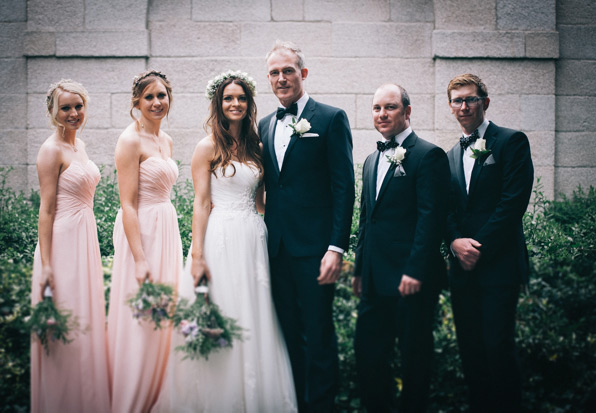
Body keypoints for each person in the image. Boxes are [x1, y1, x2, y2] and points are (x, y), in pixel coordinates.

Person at [153, 71, 297, 412]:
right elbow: (201, 204)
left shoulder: (257, 146)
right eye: (228, 98)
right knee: (224, 308)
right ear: (218, 104)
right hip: (220, 237)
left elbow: (263, 200)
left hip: (253, 238)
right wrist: (198, 254)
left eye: (241, 98)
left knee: (254, 312)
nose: (235, 104)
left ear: (249, 104)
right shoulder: (207, 147)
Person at [258, 40, 355, 412]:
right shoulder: (265, 124)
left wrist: (336, 248)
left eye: (288, 71)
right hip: (276, 250)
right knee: (288, 337)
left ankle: (322, 406)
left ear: (303, 73)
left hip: (316, 251)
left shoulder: (331, 118)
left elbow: (343, 188)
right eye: (274, 72)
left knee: (318, 336)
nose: (281, 78)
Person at [352, 84, 450, 412]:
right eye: (377, 108)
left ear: (407, 112)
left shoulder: (428, 155)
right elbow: (367, 220)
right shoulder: (369, 160)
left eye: (390, 107)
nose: (382, 114)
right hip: (375, 280)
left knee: (414, 360)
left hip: (412, 280)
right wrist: (359, 268)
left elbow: (430, 219)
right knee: (368, 355)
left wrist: (415, 269)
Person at [445, 73, 534, 412]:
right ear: (451, 106)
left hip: (499, 265)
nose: (464, 106)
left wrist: (475, 247)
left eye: (470, 99)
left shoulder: (511, 142)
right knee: (470, 349)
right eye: (457, 100)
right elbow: (446, 209)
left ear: (485, 102)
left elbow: (512, 204)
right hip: (462, 272)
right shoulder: (451, 155)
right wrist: (454, 241)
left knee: (498, 347)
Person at [31, 79, 110, 412]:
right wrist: (47, 264)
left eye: (78, 106)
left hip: (85, 238)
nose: (74, 113)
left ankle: (87, 400)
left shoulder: (80, 146)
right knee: (65, 323)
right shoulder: (50, 150)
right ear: (53, 112)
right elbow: (46, 210)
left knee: (85, 322)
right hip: (62, 244)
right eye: (66, 108)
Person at [107, 70, 183, 413]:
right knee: (141, 316)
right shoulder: (129, 140)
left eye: (162, 95)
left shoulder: (165, 140)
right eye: (149, 97)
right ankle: (131, 400)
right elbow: (127, 203)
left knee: (165, 312)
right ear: (136, 102)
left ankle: (158, 393)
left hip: (167, 228)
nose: (157, 102)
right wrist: (139, 258)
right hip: (140, 232)